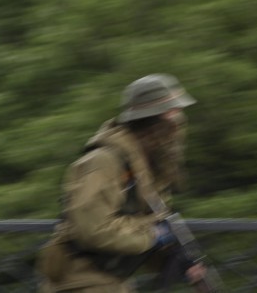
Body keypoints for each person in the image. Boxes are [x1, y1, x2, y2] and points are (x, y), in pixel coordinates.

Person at [37, 74, 207, 292]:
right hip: (81, 282)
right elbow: (94, 230)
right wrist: (155, 235)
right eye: (173, 114)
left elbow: (144, 226)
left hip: (113, 281)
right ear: (153, 121)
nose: (179, 123)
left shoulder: (147, 168)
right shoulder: (103, 161)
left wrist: (176, 260)